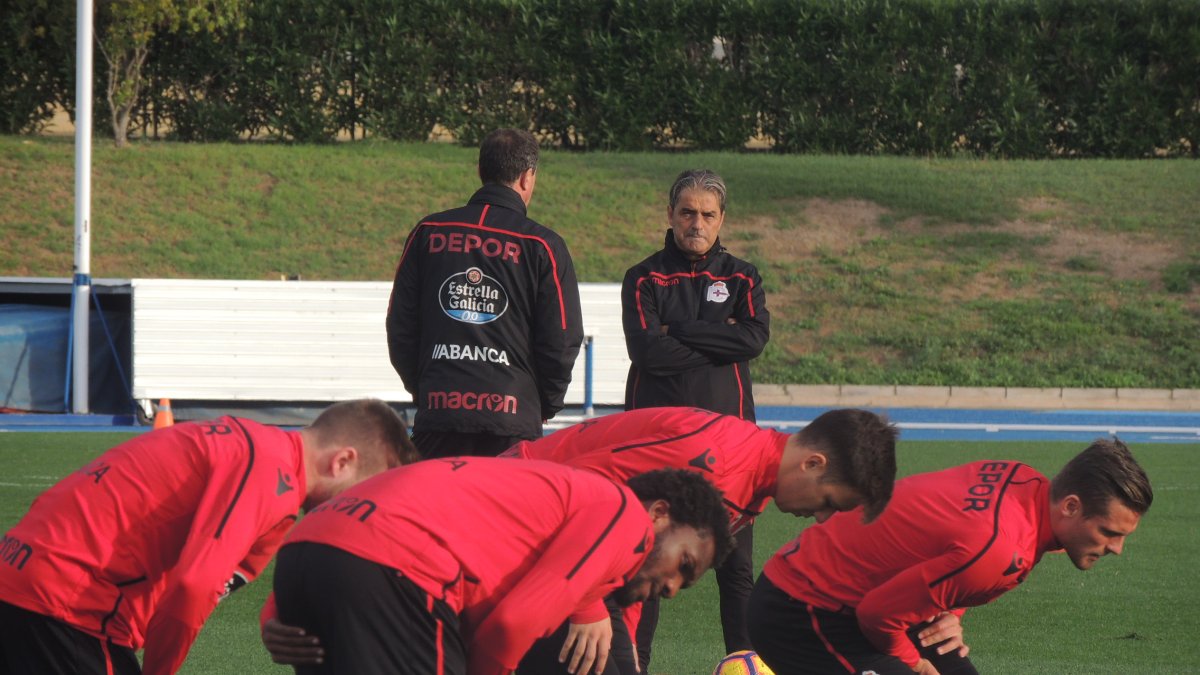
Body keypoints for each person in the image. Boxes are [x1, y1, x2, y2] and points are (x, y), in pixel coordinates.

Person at [0, 398, 417, 675]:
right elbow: (193, 587)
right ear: (342, 461)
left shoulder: (259, 453)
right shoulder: (271, 470)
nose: (360, 510)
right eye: (364, 493)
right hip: (67, 606)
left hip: (22, 577)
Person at [505, 405, 900, 675]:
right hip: (519, 529)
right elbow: (569, 493)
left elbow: (636, 562)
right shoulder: (714, 458)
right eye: (828, 501)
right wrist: (587, 606)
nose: (820, 517)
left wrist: (630, 652)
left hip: (572, 561)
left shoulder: (752, 485)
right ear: (813, 463)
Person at [265, 458, 736, 675]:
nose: (673, 587)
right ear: (658, 513)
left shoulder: (561, 492)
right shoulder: (623, 515)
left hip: (307, 552)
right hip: (394, 571)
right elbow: (513, 623)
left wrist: (275, 613)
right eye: (684, 564)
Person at [749, 438, 1153, 675]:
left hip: (859, 598)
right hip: (800, 611)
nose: (1116, 549)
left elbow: (947, 549)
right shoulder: (998, 549)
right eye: (1109, 532)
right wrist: (917, 666)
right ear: (1070, 506)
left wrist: (950, 614)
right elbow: (879, 616)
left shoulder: (1023, 479)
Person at [620, 169, 770, 665]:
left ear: (722, 218)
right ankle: (634, 664)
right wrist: (715, 339)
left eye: (707, 214)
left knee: (736, 570)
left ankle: (745, 664)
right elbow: (648, 352)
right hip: (655, 452)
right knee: (645, 565)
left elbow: (752, 339)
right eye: (687, 212)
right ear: (670, 214)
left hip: (730, 452)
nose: (696, 223)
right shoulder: (642, 277)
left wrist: (677, 329)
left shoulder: (742, 276)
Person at [387, 127, 584, 459]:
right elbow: (562, 339)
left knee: (437, 510)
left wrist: (424, 389)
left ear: (480, 171)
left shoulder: (428, 231)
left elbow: (400, 324)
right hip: (512, 421)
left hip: (439, 414)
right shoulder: (543, 245)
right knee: (506, 512)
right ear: (527, 177)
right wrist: (542, 404)